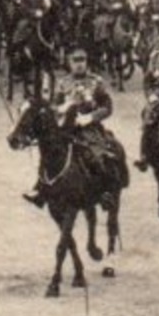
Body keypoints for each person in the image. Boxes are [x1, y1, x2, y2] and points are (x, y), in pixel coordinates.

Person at [24, 44, 127, 209]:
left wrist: (90, 117)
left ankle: (103, 193)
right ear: (69, 62)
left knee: (97, 155)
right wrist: (62, 109)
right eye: (75, 60)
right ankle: (41, 189)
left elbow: (107, 107)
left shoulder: (96, 81)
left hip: (89, 128)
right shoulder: (63, 82)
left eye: (83, 60)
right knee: (48, 152)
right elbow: (54, 106)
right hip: (66, 127)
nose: (80, 64)